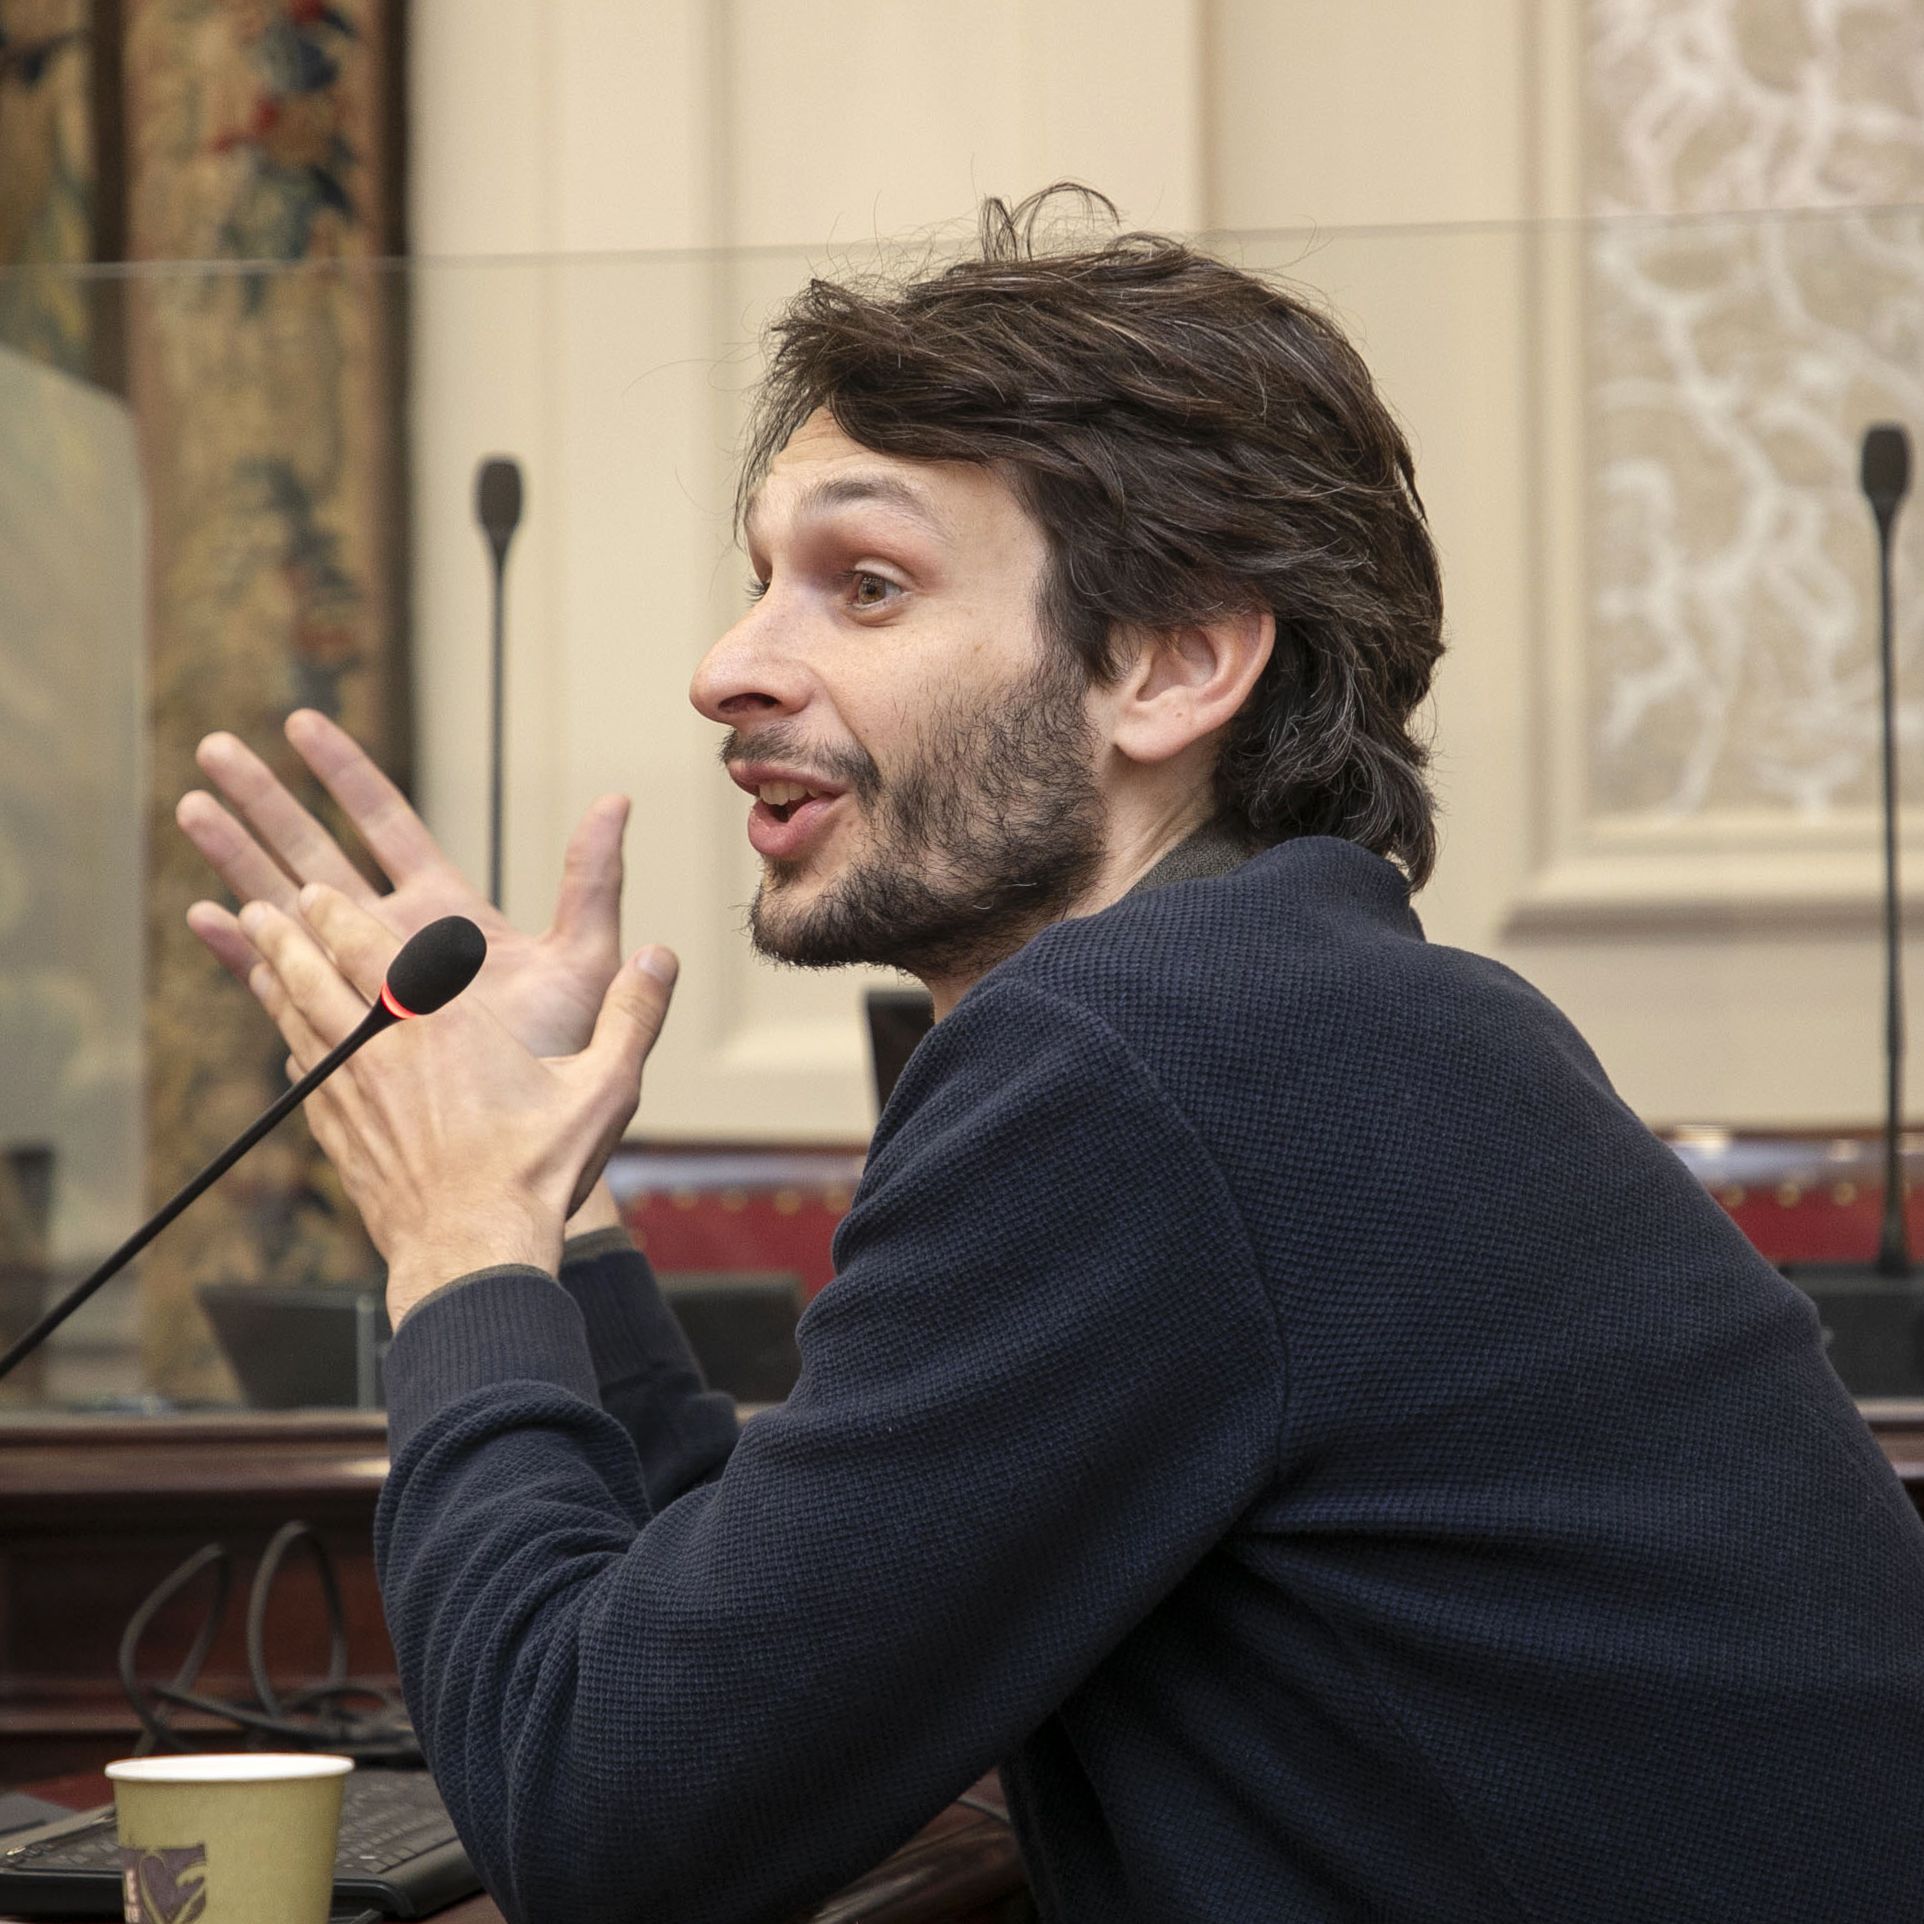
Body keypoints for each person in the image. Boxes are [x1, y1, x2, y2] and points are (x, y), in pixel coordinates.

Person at [178, 190, 1924, 1924]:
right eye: (758, 586)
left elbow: (602, 1818)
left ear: (1170, 666)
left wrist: (457, 1236)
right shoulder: (1300, 1010)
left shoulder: (1159, 1055)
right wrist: (548, 1198)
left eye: (867, 586)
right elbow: (799, 1663)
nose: (726, 669)